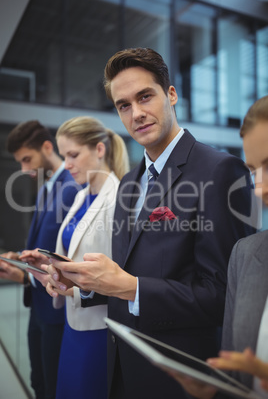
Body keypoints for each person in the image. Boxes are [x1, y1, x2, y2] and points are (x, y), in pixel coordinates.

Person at [45, 47, 256, 399]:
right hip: (122, 370)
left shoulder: (220, 171)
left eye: (145, 96)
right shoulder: (129, 183)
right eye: (124, 105)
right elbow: (127, 274)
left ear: (171, 94)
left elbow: (226, 296)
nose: (137, 113)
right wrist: (83, 283)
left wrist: (130, 287)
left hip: (180, 378)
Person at [21, 116, 130, 399]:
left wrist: (73, 288)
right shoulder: (82, 197)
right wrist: (48, 266)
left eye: (73, 155)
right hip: (73, 325)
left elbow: (119, 274)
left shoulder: (118, 199)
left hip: (99, 328)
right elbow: (74, 258)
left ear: (100, 150)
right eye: (64, 155)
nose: (66, 164)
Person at [169, 95, 268, 398]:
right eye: (253, 171)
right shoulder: (246, 255)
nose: (261, 187)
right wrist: (217, 391)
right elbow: (233, 370)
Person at [0, 120, 78, 399]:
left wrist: (23, 275)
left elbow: (68, 256)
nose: (23, 169)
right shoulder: (47, 188)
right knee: (40, 384)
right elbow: (44, 247)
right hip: (40, 309)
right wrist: (19, 259)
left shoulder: (71, 188)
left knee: (51, 388)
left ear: (47, 147)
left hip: (57, 312)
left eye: (27, 159)